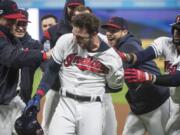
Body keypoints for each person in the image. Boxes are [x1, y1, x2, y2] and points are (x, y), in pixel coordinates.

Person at [25, 13, 124, 135]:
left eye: (81, 37)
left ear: (94, 34)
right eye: (74, 34)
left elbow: (116, 87)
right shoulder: (66, 40)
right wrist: (38, 95)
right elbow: (51, 69)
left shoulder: (111, 58)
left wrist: (92, 89)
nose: (76, 40)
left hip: (92, 108)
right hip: (65, 104)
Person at [101, 16, 170, 135]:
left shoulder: (128, 46)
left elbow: (118, 77)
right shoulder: (120, 46)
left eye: (113, 31)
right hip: (139, 106)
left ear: (124, 32)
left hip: (157, 103)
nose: (109, 34)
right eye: (107, 30)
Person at [121, 14, 180, 135]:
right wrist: (129, 57)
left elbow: (175, 79)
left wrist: (147, 77)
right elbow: (145, 54)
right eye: (176, 28)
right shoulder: (166, 43)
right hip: (175, 103)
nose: (177, 33)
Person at [0, 1, 51, 135]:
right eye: (12, 21)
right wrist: (44, 54)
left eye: (22, 23)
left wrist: (38, 95)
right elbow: (13, 57)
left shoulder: (16, 40)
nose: (17, 26)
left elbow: (48, 70)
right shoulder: (4, 40)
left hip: (16, 100)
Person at [40, 1, 85, 134]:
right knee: (47, 125)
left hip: (81, 90)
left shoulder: (90, 30)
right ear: (66, 8)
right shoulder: (53, 31)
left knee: (80, 127)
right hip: (56, 87)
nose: (74, 10)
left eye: (77, 7)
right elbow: (44, 58)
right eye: (71, 7)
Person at [11, 9, 43, 104]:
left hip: (24, 99)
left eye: (23, 24)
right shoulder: (4, 44)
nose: (20, 28)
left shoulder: (35, 46)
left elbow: (48, 69)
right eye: (18, 24)